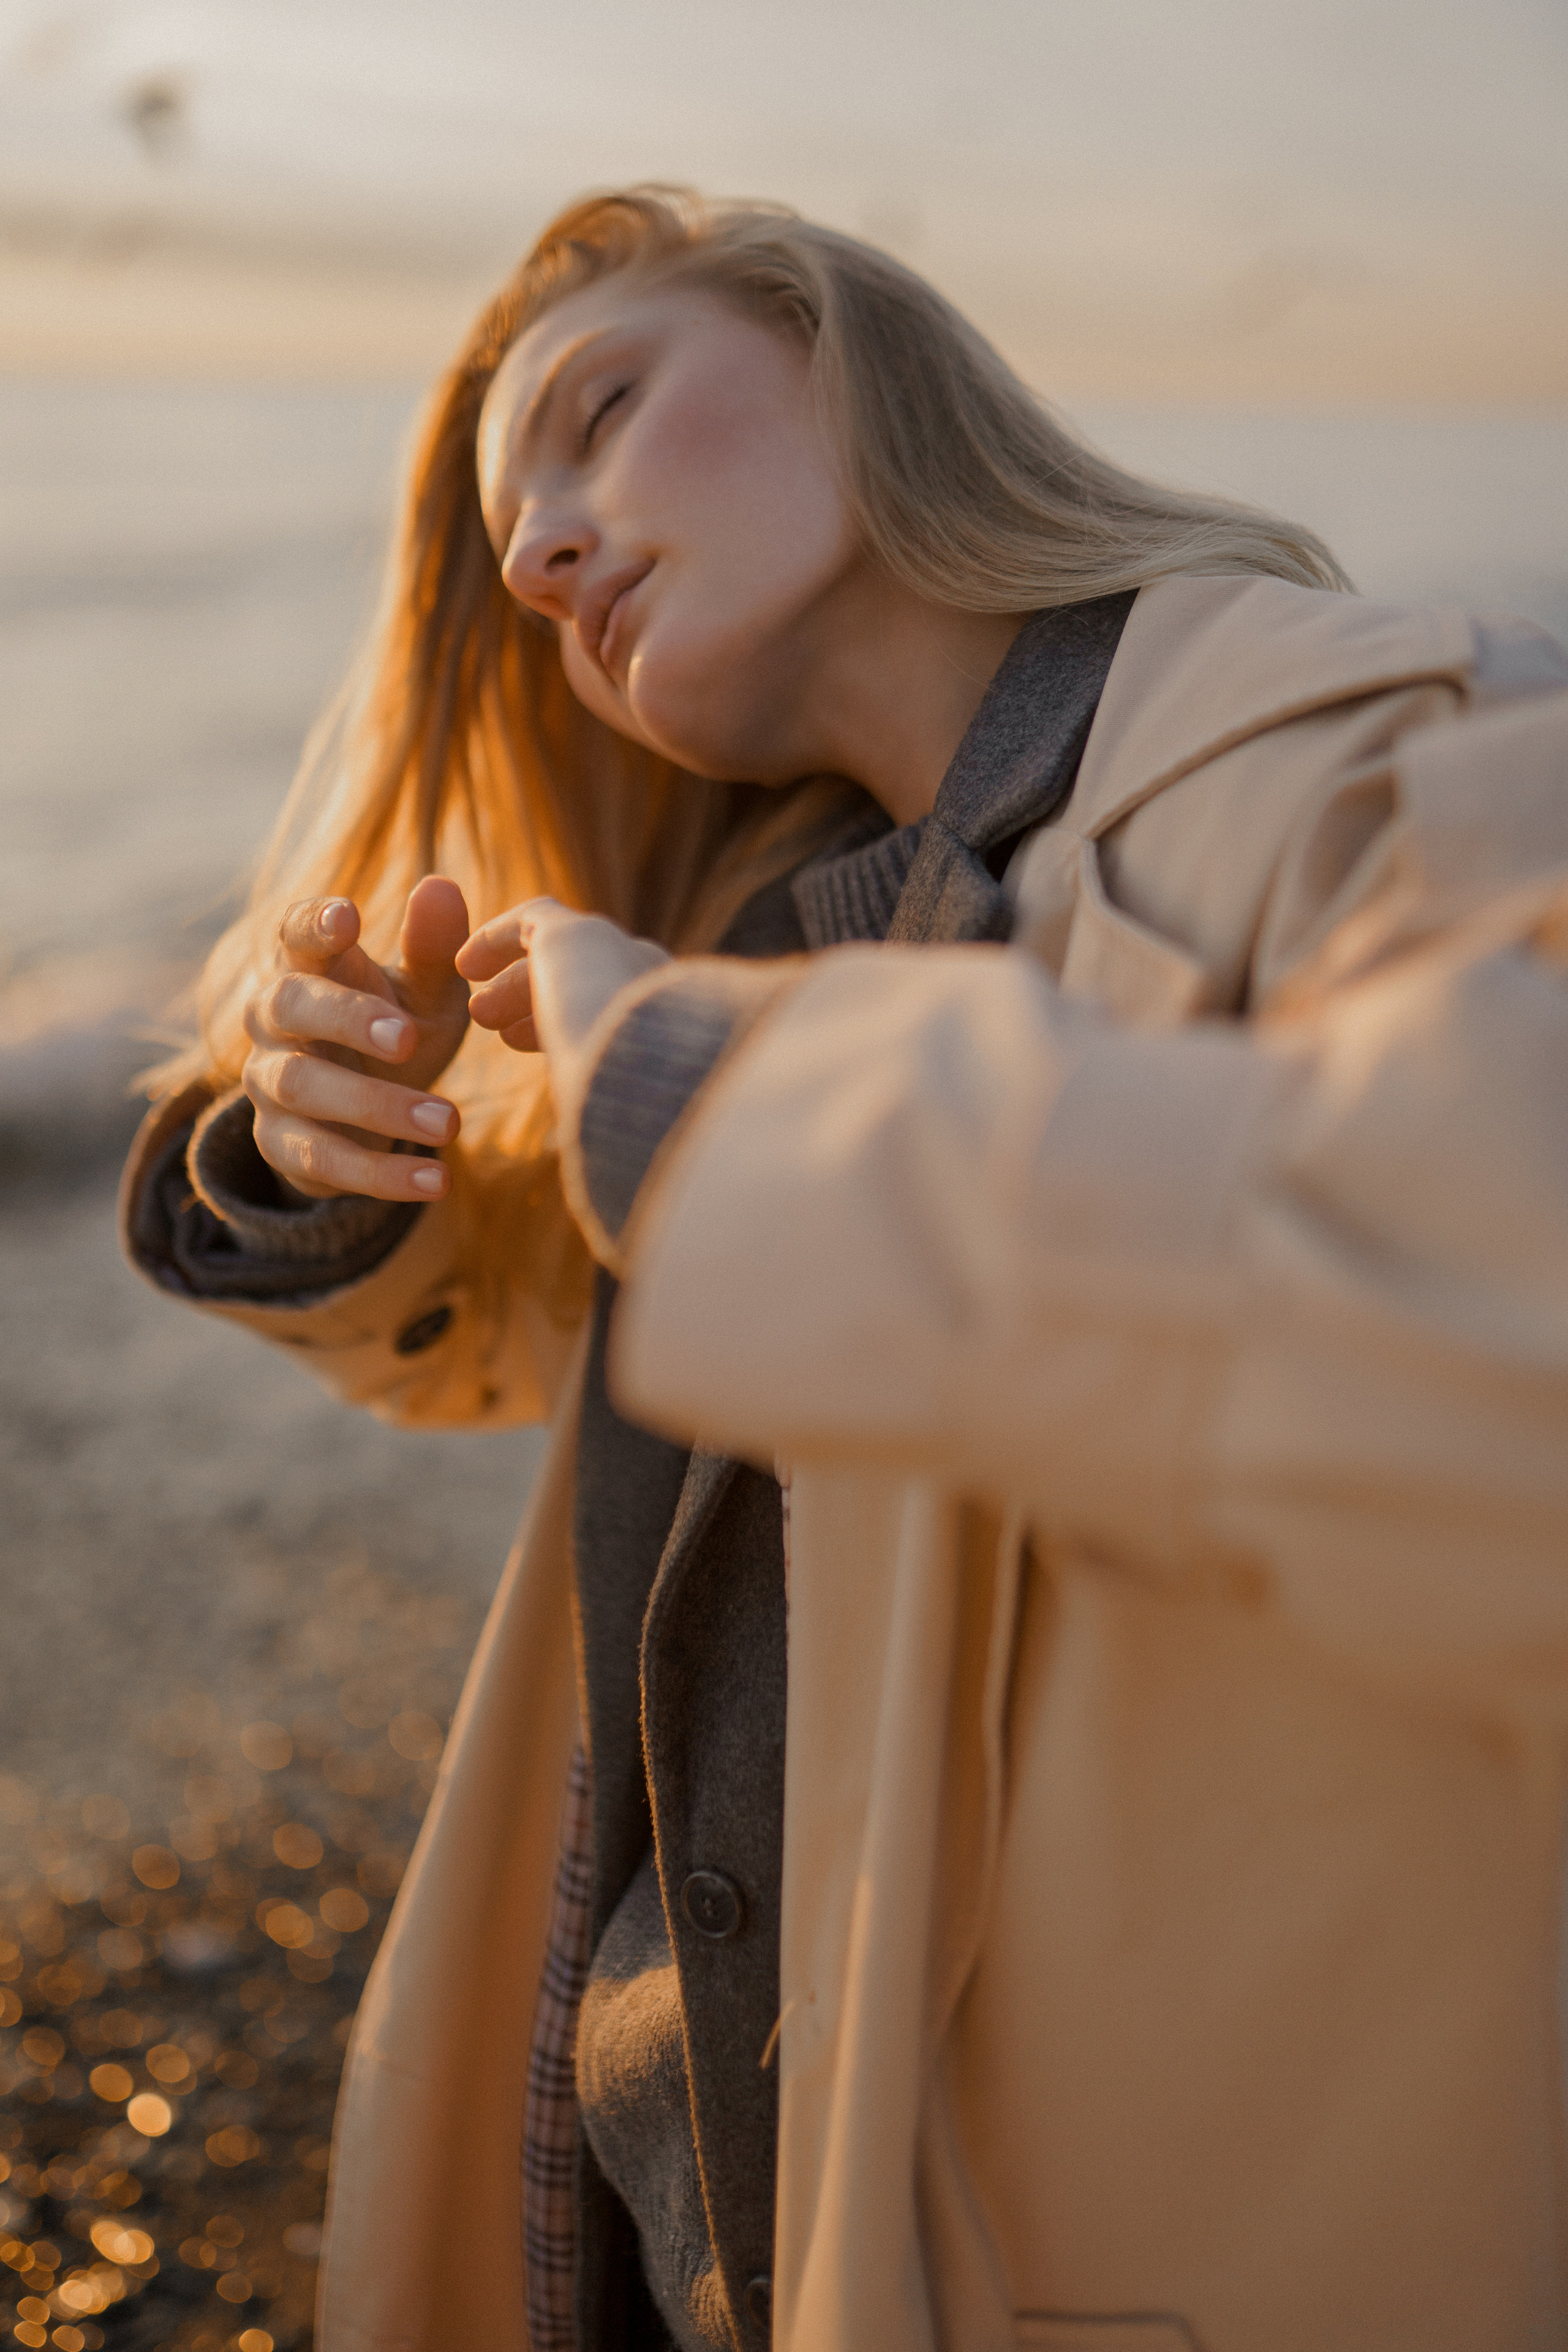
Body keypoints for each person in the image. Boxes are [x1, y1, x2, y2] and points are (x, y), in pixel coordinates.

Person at [120, 186, 1568, 2352]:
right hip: (678, 2223)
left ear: (846, 351)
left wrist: (695, 1097)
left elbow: (1509, 1332)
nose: (544, 553)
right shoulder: (763, 924)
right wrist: (315, 1141)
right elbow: (506, 1331)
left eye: (603, 410)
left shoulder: (1380, 745)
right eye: (518, 549)